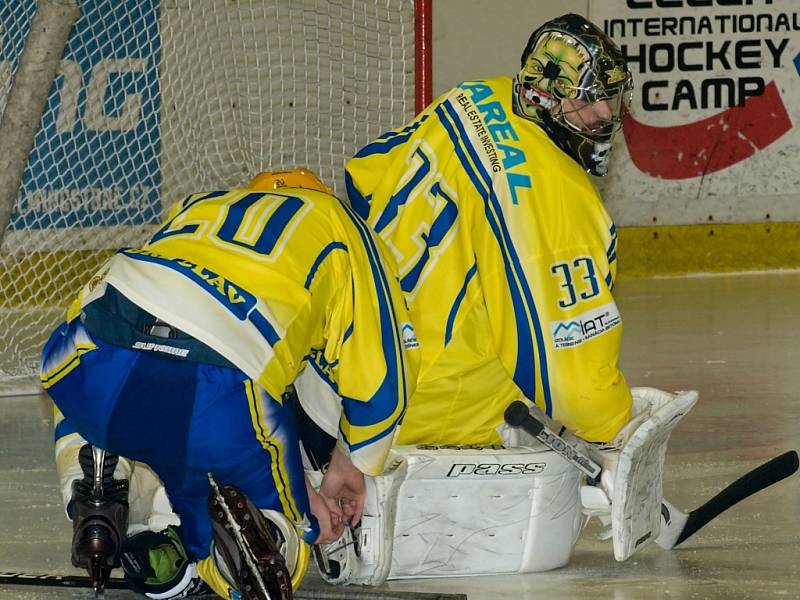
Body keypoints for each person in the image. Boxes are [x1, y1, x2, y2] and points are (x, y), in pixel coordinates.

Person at [306, 12, 696, 575]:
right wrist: (616, 436)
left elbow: (364, 174)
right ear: (543, 96)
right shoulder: (558, 199)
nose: (605, 116)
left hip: (337, 362)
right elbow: (576, 383)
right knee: (530, 375)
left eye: (611, 98)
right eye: (587, 101)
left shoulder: (473, 98)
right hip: (416, 410)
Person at [40, 169, 418, 599]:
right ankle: (250, 540)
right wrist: (341, 473)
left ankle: (95, 473)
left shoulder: (200, 205)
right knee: (281, 526)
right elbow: (384, 378)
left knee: (98, 398)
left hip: (94, 336)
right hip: (220, 357)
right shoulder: (342, 225)